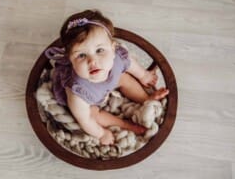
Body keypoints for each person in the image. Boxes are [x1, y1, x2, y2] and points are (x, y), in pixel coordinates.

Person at [45, 9, 169, 145]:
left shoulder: (117, 59)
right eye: (81, 55)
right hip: (90, 99)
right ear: (70, 59)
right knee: (93, 115)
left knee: (125, 78)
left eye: (99, 50)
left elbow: (130, 65)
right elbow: (85, 120)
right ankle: (126, 125)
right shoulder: (77, 92)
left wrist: (143, 75)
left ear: (113, 48)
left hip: (110, 82)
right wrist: (101, 133)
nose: (92, 61)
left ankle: (146, 99)